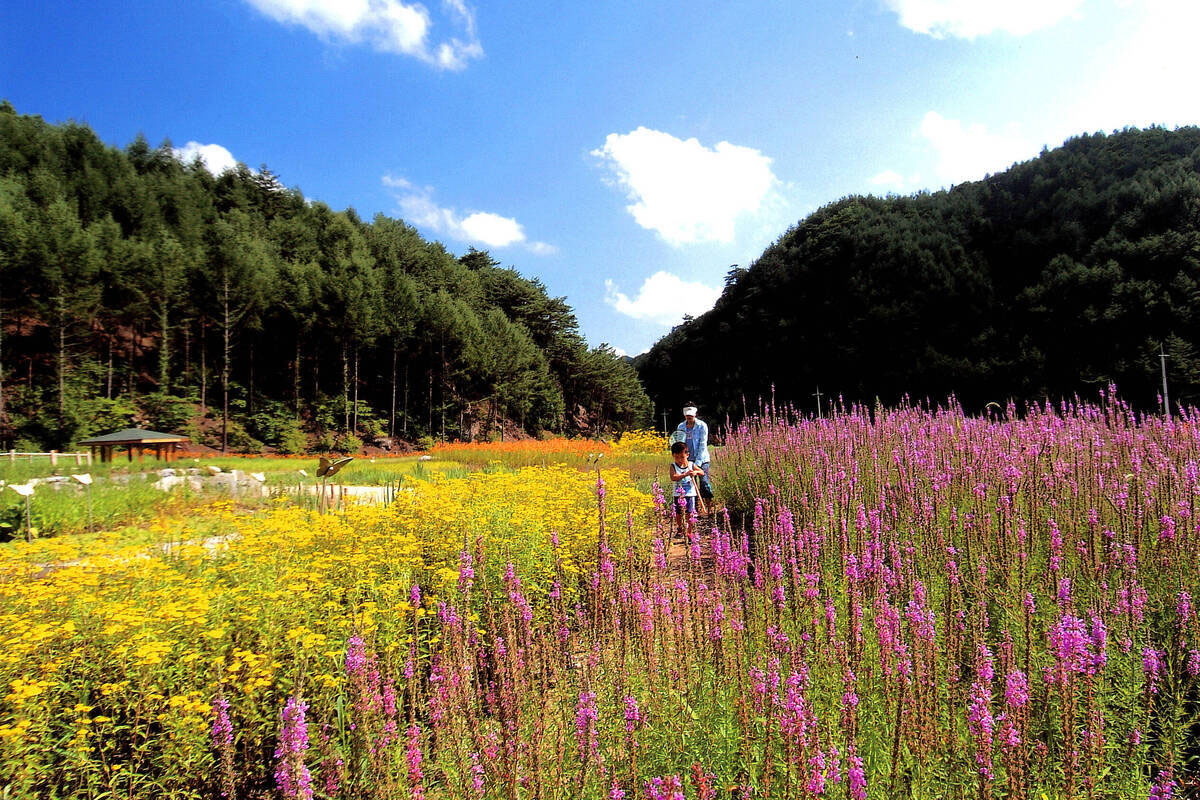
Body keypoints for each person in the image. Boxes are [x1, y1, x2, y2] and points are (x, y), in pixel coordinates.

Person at [676, 402, 713, 505]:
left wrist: (697, 463)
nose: (689, 417)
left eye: (691, 416)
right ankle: (694, 506)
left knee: (704, 481)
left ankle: (709, 503)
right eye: (687, 416)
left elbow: (702, 445)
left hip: (702, 459)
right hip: (687, 459)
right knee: (690, 483)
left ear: (695, 414)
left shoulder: (702, 426)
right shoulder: (681, 426)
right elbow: (680, 443)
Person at [669, 441, 704, 539]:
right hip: (678, 494)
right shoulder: (673, 466)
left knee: (690, 513)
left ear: (687, 455)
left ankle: (689, 532)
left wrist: (695, 472)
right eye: (676, 457)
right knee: (679, 514)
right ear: (673, 456)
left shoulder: (691, 465)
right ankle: (680, 528)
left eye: (682, 457)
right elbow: (673, 477)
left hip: (690, 494)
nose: (679, 460)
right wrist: (685, 474)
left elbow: (702, 472)